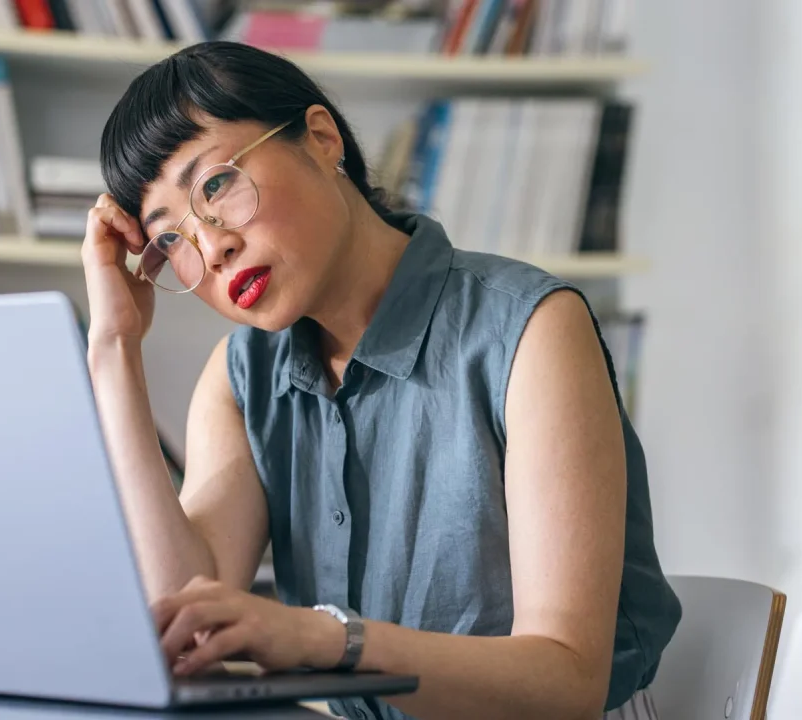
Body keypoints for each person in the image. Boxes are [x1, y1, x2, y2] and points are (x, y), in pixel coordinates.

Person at [81, 40, 682, 720]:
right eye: (170, 239)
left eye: (216, 185)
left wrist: (322, 638)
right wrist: (113, 350)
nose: (210, 245)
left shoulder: (531, 331)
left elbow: (565, 683)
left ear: (320, 139)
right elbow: (181, 615)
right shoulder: (240, 377)